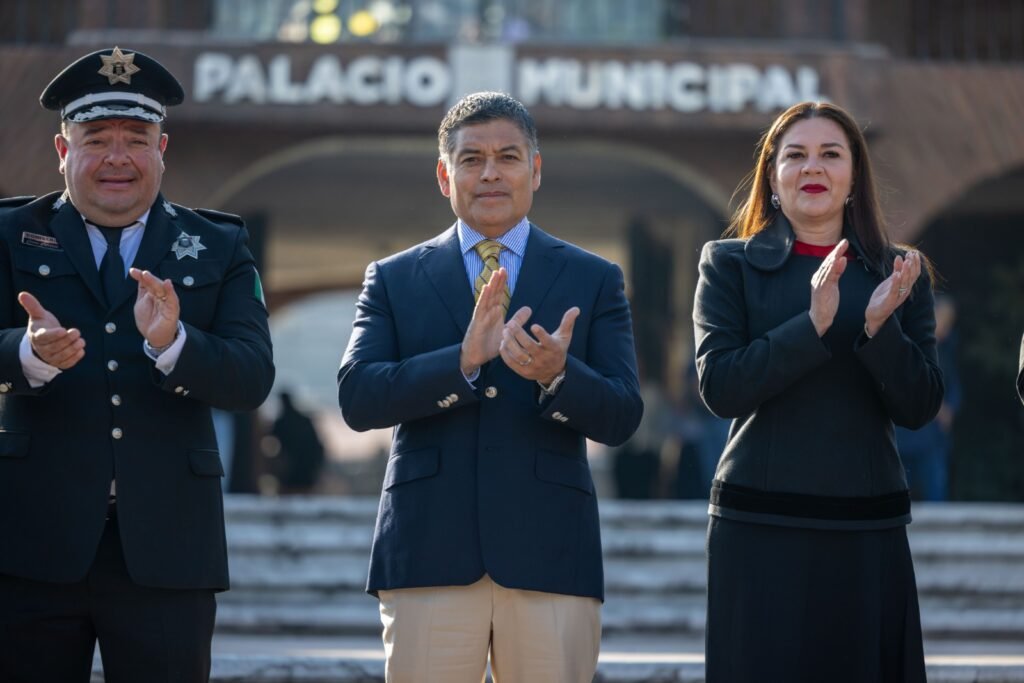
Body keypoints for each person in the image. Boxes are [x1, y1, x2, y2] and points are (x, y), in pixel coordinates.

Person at [338, 91, 643, 683]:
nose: (490, 173)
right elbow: (357, 396)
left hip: (551, 554)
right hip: (429, 552)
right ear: (443, 176)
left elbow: (623, 414)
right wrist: (461, 361)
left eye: (508, 157)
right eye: (471, 159)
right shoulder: (394, 278)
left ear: (536, 169)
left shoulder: (593, 278)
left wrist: (557, 374)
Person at [0, 48, 275, 683]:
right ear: (63, 151)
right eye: (96, 139)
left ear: (162, 149)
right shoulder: (11, 233)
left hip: (168, 548)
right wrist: (26, 354)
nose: (117, 157)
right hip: (30, 540)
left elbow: (251, 376)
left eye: (136, 140)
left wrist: (175, 343)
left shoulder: (218, 244)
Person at [693, 101, 943, 682]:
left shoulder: (899, 273)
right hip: (759, 525)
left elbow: (921, 406)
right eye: (796, 155)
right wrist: (811, 327)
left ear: (854, 177)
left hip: (866, 529)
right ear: (772, 176)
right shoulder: (727, 265)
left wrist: (880, 329)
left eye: (831, 154)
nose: (813, 167)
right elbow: (721, 388)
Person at [896, 294, 961, 500]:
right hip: (906, 432)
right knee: (899, 494)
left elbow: (953, 383)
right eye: (943, 320)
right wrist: (938, 405)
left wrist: (950, 408)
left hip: (933, 437)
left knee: (936, 493)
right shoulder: (909, 340)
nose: (946, 328)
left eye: (950, 322)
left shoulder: (947, 346)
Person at [271, 389, 326, 493]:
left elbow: (270, 440)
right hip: (308, 467)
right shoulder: (305, 420)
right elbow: (319, 446)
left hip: (291, 470)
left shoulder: (281, 423)